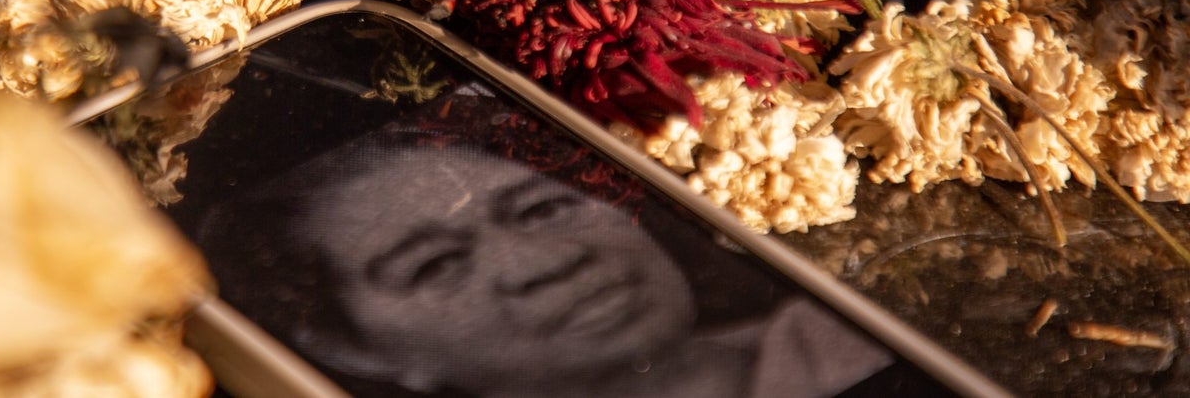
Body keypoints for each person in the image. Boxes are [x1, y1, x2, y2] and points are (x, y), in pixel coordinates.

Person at [201, 134, 891, 397]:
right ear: (348, 347)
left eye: (541, 209)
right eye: (433, 265)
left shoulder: (870, 330)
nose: (545, 263)